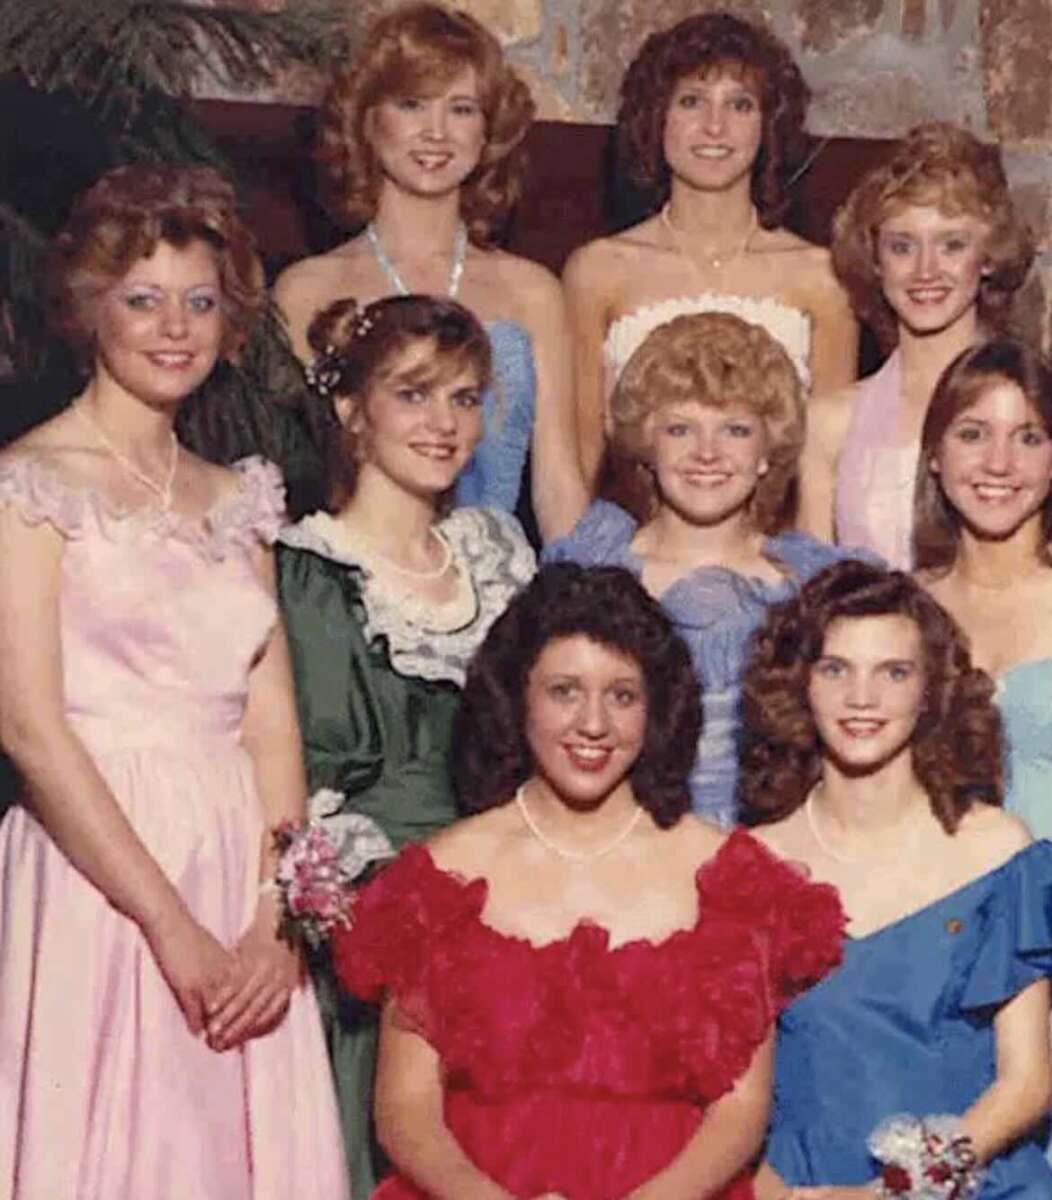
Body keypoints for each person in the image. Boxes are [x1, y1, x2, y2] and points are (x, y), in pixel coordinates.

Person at [0, 164, 347, 1198]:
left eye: (199, 302)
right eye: (143, 299)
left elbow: (271, 723)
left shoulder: (239, 498)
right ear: (88, 308)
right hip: (100, 869)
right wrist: (170, 926)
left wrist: (278, 921)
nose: (174, 328)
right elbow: (29, 729)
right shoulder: (30, 486)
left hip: (236, 863)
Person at [330, 562, 844, 1200]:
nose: (593, 724)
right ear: (517, 697)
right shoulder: (438, 879)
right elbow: (406, 1111)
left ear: (656, 709)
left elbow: (739, 1112)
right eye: (564, 691)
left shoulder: (731, 879)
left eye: (622, 696)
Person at [276, 291, 535, 1196]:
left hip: (511, 898)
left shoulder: (496, 553)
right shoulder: (308, 570)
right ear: (352, 409)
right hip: (373, 923)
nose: (444, 423)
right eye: (413, 394)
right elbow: (312, 781)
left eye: (463, 398)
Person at [741, 559, 1052, 1198]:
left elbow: (1027, 1085)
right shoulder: (752, 866)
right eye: (836, 669)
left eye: (894, 672)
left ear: (930, 690)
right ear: (798, 683)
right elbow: (729, 1101)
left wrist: (889, 1192)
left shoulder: (998, 850)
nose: (863, 698)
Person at [273, 2, 584, 540]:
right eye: (412, 104)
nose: (436, 132)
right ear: (367, 121)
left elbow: (558, 485)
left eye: (462, 109)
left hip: (499, 575)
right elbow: (288, 480)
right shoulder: (304, 291)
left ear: (488, 131)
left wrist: (581, 588)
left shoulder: (533, 292)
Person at [545, 311, 860, 826]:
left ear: (768, 451)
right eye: (680, 429)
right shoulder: (588, 570)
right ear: (648, 447)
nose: (707, 453)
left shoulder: (813, 585)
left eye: (735, 430)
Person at [564, 9, 857, 487]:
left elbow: (827, 472)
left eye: (740, 105)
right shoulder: (597, 270)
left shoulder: (822, 278)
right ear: (656, 119)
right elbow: (578, 464)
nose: (714, 127)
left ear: (768, 126)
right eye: (691, 101)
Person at [801, 123, 1034, 566]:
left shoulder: (1034, 406)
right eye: (902, 246)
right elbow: (812, 589)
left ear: (987, 256)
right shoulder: (830, 423)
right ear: (875, 259)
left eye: (952, 245)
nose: (926, 270)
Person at [914, 338, 1052, 842]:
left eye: (1028, 438)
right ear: (935, 453)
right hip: (934, 883)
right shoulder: (903, 611)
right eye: (973, 434)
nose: (999, 463)